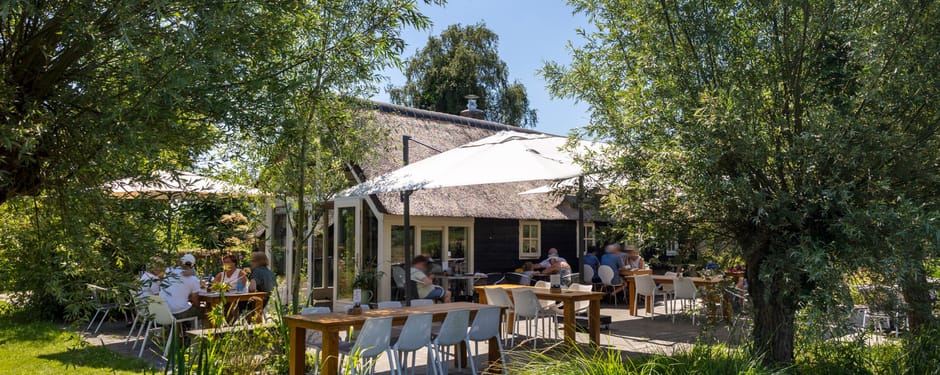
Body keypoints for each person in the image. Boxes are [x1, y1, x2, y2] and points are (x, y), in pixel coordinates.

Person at [160, 254, 202, 319]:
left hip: (163, 311)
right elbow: (195, 300)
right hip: (177, 312)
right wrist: (198, 307)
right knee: (204, 311)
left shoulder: (169, 272)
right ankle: (196, 329)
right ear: (192, 265)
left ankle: (182, 328)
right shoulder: (193, 279)